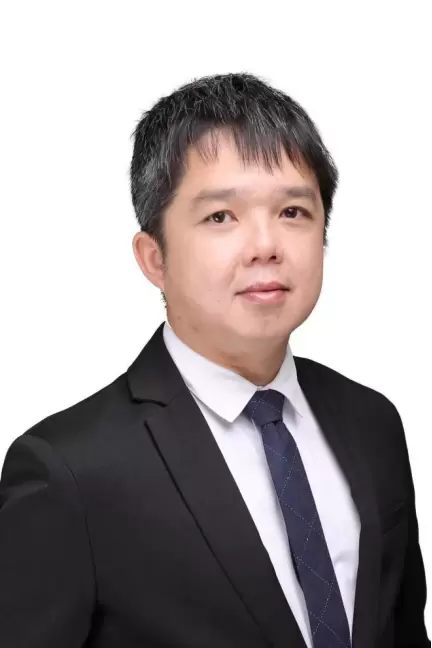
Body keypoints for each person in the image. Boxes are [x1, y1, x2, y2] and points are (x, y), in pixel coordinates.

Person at [0, 72, 429, 648]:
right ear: (154, 258)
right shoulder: (68, 470)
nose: (266, 245)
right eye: (221, 217)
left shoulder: (372, 422)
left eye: (293, 211)